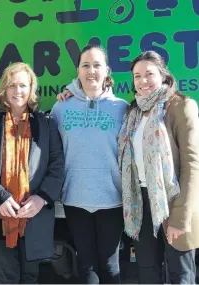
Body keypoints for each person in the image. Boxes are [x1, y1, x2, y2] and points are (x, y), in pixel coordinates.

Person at [0, 62, 65, 284]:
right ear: (4, 89)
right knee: (4, 277)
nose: (17, 91)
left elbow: (57, 164)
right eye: (12, 85)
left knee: (30, 277)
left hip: (34, 217)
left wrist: (42, 198)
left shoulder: (46, 123)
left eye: (23, 85)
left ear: (31, 89)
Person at [118, 50, 199, 284]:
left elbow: (192, 166)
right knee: (147, 272)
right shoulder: (132, 112)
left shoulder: (181, 107)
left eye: (149, 74)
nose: (143, 81)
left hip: (172, 201)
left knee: (180, 275)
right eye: (137, 76)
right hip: (141, 204)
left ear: (163, 76)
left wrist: (180, 218)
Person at [51, 44, 128, 284]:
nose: (91, 70)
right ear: (78, 71)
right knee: (85, 264)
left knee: (110, 263)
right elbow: (52, 153)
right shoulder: (61, 107)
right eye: (86, 65)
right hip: (75, 199)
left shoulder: (122, 108)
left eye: (97, 65)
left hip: (112, 200)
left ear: (107, 71)